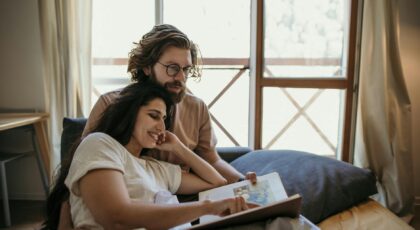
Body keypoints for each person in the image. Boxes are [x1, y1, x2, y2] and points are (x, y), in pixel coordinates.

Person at [43, 82, 257, 230]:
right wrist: (209, 208)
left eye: (164, 119)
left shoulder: (155, 168)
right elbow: (116, 218)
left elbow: (216, 181)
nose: (161, 126)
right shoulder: (100, 144)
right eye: (153, 116)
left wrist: (179, 147)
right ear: (130, 113)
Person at [83, 24, 254, 184]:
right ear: (148, 67)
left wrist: (243, 182)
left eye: (186, 69)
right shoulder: (110, 103)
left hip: (186, 194)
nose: (180, 78)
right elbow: (81, 166)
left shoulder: (197, 108)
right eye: (172, 68)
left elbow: (212, 160)